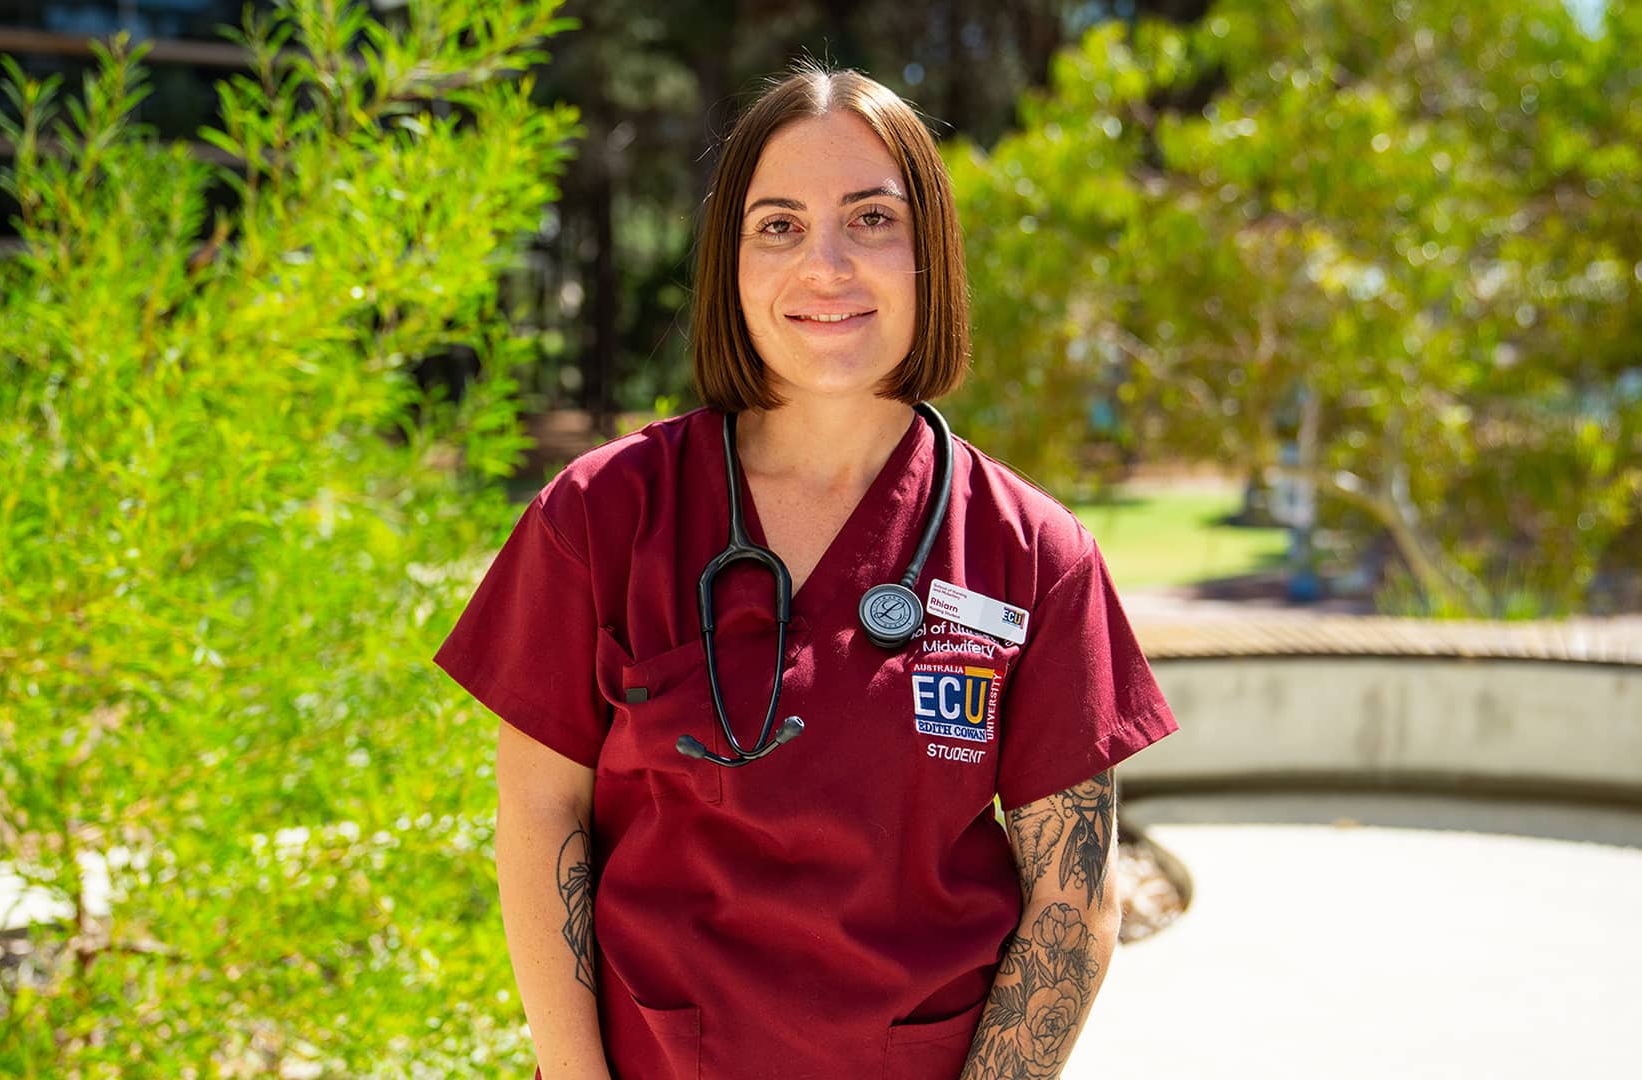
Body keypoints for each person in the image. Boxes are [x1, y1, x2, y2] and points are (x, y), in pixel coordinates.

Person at [435, 61, 1179, 1080]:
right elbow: (537, 816)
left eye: (871, 219)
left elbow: (1072, 896)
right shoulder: (603, 517)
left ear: (931, 255)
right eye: (778, 225)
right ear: (729, 265)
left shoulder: (1034, 555)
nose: (824, 265)